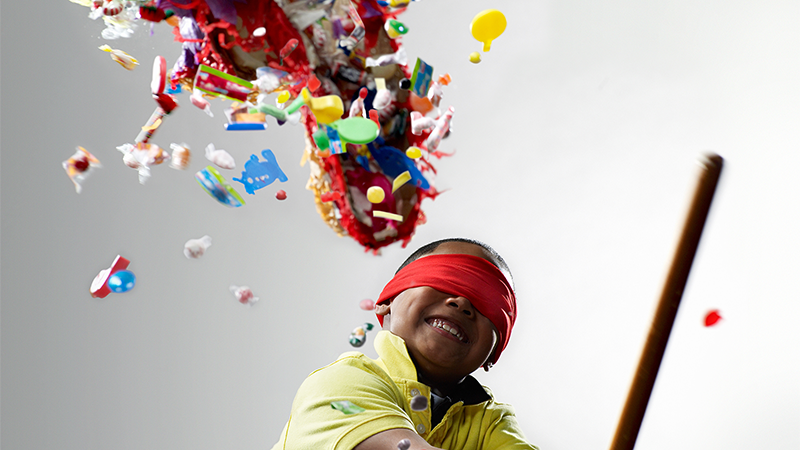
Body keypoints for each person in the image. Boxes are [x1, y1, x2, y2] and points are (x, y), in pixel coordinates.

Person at [271, 238, 538, 450]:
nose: (463, 303)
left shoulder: (490, 423)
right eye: (447, 278)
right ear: (387, 300)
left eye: (489, 301)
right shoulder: (340, 383)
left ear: (493, 353)